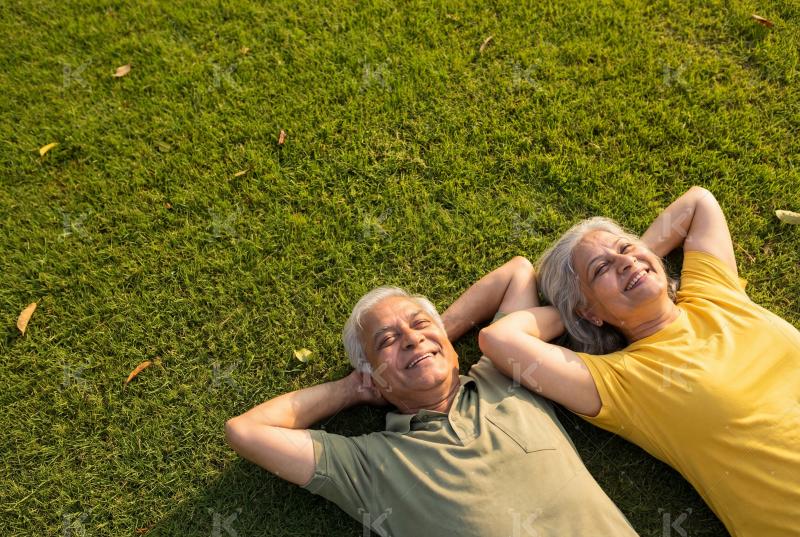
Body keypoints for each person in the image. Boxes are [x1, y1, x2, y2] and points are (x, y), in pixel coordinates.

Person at [225, 257, 639, 537]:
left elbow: (517, 272)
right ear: (373, 376)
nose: (408, 338)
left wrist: (433, 337)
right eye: (387, 340)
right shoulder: (368, 465)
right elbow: (246, 430)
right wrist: (353, 387)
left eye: (419, 323)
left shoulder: (505, 375)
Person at [478, 186, 800, 537]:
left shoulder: (714, 293)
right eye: (602, 269)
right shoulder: (622, 380)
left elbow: (697, 203)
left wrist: (634, 264)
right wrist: (576, 313)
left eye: (626, 248)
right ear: (589, 312)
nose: (625, 261)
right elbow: (501, 339)